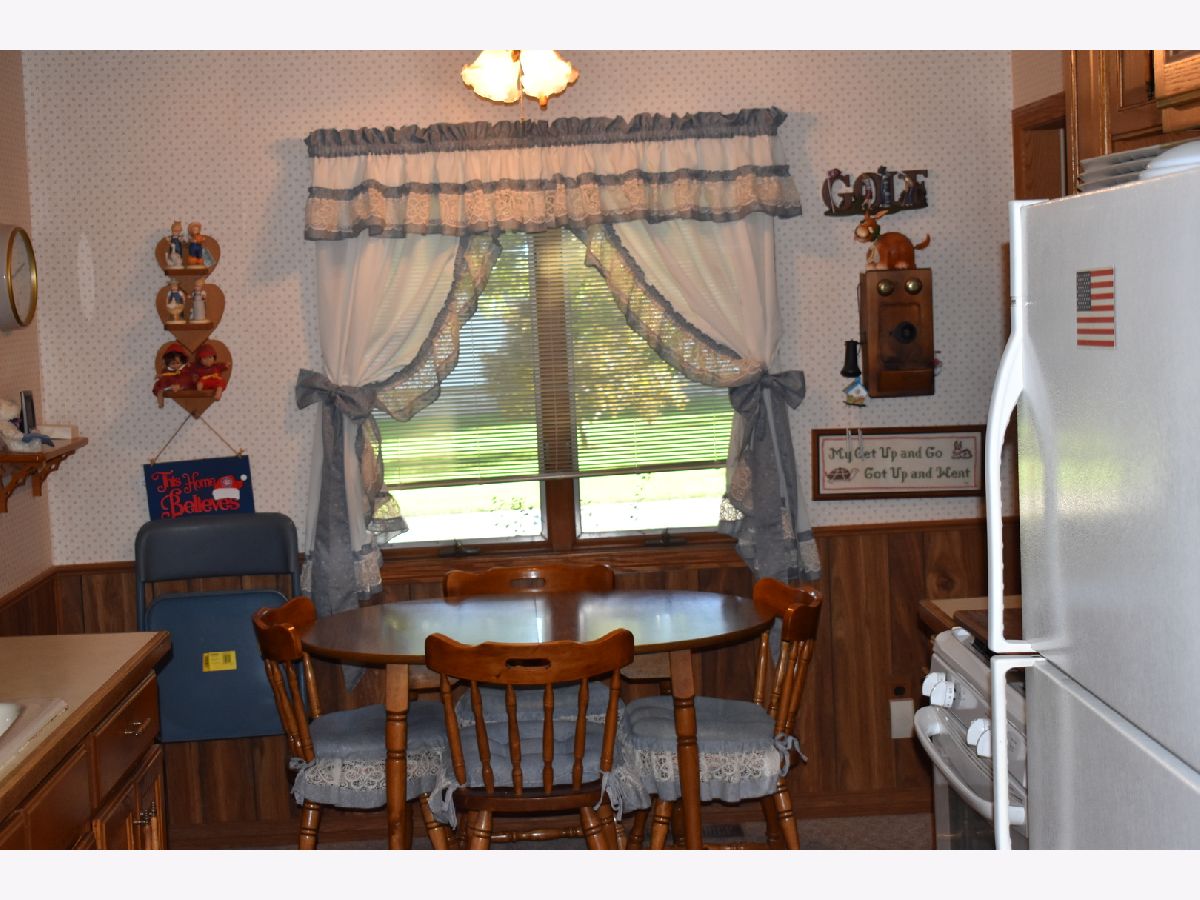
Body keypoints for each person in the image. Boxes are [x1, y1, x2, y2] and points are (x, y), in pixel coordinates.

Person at [152, 343, 194, 407]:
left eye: (178, 363)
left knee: (186, 380)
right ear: (168, 363)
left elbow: (188, 378)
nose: (175, 365)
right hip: (170, 383)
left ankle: (179, 387)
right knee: (160, 385)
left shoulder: (185, 368)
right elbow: (165, 375)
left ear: (182, 361)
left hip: (181, 382)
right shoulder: (167, 369)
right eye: (172, 364)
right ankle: (160, 396)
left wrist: (180, 385)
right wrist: (161, 376)